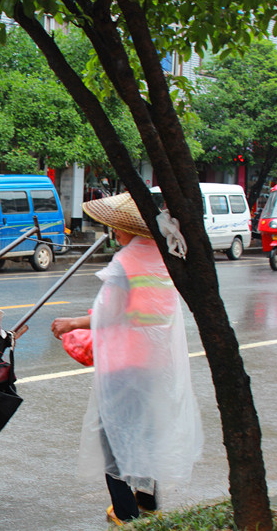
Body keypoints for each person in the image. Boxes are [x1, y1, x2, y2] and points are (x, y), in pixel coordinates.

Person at [51, 192, 203, 525]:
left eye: (118, 226)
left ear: (133, 229)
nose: (114, 231)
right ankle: (148, 503)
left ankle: (125, 513)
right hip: (156, 364)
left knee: (114, 435)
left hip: (125, 366)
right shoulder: (165, 258)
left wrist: (70, 324)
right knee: (146, 431)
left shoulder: (126, 261)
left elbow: (108, 314)